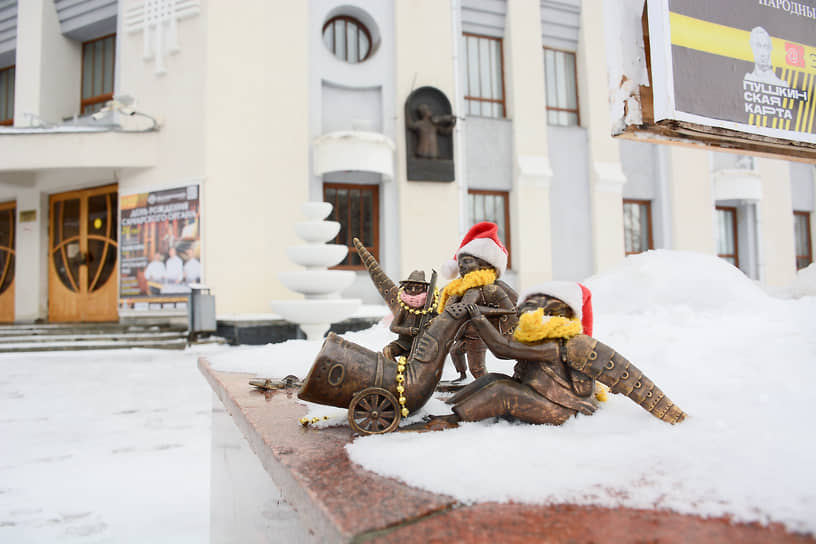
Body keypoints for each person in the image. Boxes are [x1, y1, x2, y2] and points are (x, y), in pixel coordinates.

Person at [445, 282, 686, 426]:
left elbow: (502, 349)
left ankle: (450, 423)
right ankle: (451, 407)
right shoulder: (534, 337)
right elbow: (507, 351)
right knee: (492, 379)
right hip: (538, 395)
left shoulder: (562, 344)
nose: (529, 309)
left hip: (562, 408)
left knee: (501, 392)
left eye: (538, 304)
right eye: (528, 304)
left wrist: (478, 318)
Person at [438, 222, 518, 381]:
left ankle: (488, 391)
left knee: (477, 368)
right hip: (463, 332)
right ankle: (462, 377)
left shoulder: (493, 287)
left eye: (467, 261)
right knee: (455, 352)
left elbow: (516, 303)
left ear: (485, 263)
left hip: (480, 333)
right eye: (460, 262)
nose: (461, 265)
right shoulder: (457, 288)